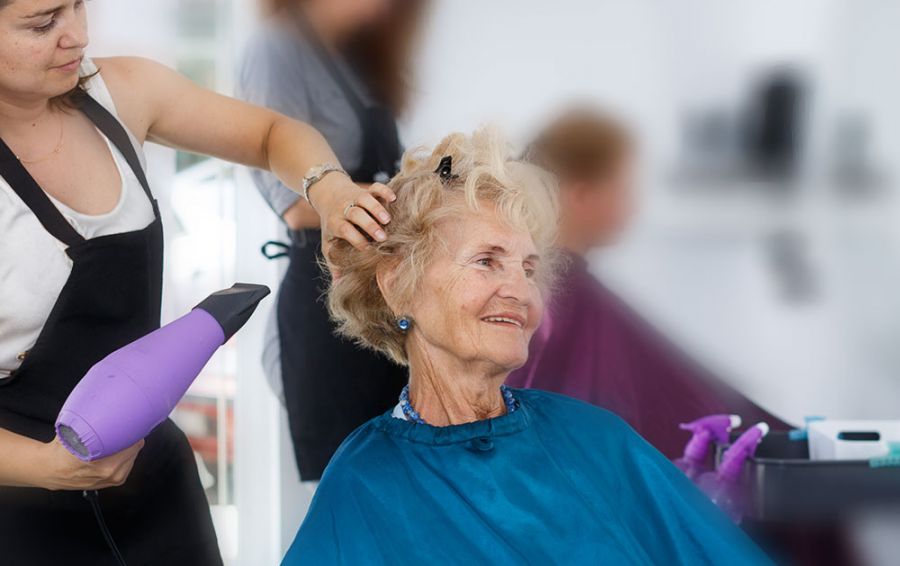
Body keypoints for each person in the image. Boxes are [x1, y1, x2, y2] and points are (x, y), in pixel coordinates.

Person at [0, 1, 397, 563]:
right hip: (20, 507)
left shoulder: (120, 91)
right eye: (44, 23)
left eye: (77, 6)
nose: (78, 36)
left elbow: (270, 133)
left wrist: (329, 192)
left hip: (155, 484)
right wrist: (45, 467)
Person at [282, 129, 773, 564]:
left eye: (529, 268)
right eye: (486, 261)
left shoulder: (597, 440)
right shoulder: (364, 483)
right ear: (397, 285)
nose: (520, 292)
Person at [506, 109, 790, 458]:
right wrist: (796, 446)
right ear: (581, 195)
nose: (634, 204)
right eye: (624, 186)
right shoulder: (566, 303)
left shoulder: (538, 290)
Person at [239, 0, 428, 483]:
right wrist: (413, 201)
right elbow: (296, 203)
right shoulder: (276, 47)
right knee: (355, 486)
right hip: (331, 302)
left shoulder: (356, 55)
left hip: (389, 298)